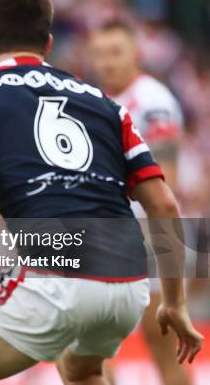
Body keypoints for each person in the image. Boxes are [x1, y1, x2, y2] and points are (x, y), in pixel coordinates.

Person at [0, 0, 203, 385]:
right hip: (128, 284)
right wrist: (175, 303)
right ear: (48, 42)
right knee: (80, 369)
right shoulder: (107, 105)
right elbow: (164, 204)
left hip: (58, 275)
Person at [89, 19, 190, 385]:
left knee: (162, 343)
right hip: (109, 237)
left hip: (149, 236)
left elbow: (167, 182)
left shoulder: (153, 101)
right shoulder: (97, 102)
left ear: (136, 53)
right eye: (100, 54)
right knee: (91, 345)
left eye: (115, 52)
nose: (107, 62)